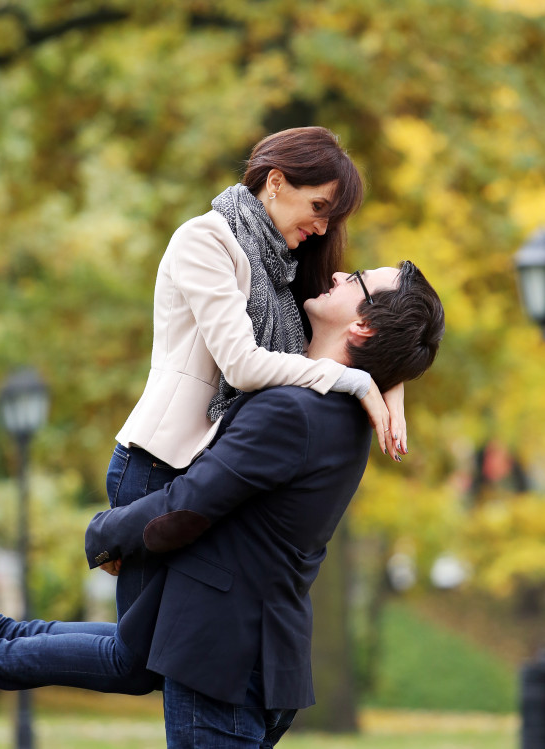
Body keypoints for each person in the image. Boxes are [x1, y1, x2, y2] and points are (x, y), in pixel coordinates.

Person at [0, 261, 445, 748]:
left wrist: (103, 533)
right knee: (127, 655)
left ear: (364, 324)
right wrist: (387, 378)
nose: (336, 276)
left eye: (354, 278)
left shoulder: (294, 411)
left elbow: (185, 508)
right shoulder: (343, 412)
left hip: (222, 661)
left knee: (126, 658)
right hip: (250, 655)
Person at [108, 126, 407, 626]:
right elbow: (243, 365)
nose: (323, 227)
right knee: (137, 660)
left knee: (149, 659)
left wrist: (393, 384)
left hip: (197, 476)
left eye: (331, 218)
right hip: (155, 467)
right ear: (275, 182)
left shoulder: (282, 269)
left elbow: (366, 323)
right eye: (318, 207)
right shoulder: (205, 241)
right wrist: (357, 382)